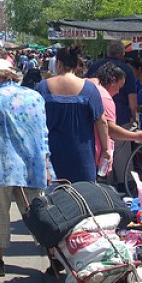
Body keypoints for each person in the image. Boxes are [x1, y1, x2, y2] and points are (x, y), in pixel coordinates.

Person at [0, 59, 51, 277]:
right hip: (32, 166)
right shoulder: (35, 97)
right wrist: (46, 163)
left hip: (1, 166)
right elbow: (43, 133)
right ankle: (56, 258)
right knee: (39, 214)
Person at [35, 45, 110, 182]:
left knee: (54, 199)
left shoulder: (42, 87)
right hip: (82, 156)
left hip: (51, 156)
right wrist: (105, 149)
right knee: (84, 196)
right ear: (76, 65)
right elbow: (102, 122)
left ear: (58, 64)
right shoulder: (90, 89)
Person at [85, 40, 137, 185]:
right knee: (121, 154)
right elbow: (132, 98)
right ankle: (123, 183)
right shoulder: (126, 70)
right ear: (122, 53)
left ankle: (105, 183)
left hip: (94, 116)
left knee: (101, 151)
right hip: (120, 116)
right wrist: (134, 116)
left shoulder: (94, 66)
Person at [87, 62, 142, 180]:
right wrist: (135, 135)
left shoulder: (87, 86)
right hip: (93, 154)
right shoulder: (104, 97)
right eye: (119, 87)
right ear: (113, 80)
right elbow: (109, 128)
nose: (118, 92)